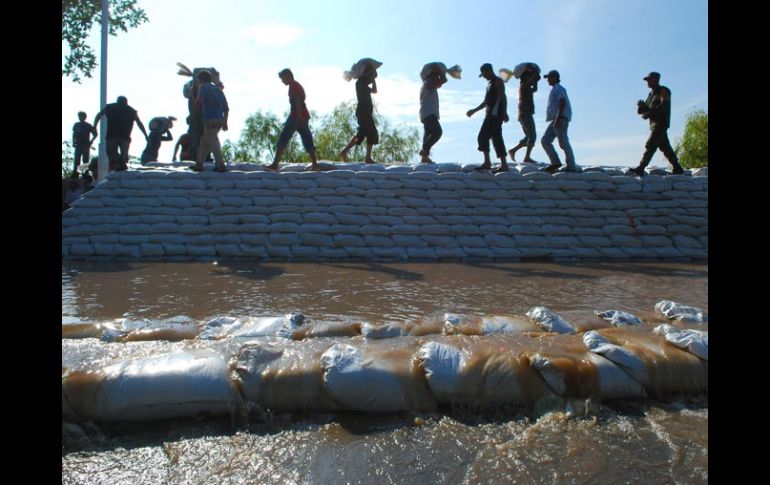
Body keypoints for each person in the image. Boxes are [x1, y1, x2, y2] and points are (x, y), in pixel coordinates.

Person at [628, 71, 685, 176]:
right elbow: (642, 111)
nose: (647, 82)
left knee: (650, 144)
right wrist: (641, 106)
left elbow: (664, 106)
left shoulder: (663, 91)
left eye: (649, 80)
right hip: (654, 124)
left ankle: (641, 167)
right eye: (647, 80)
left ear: (656, 80)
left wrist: (649, 113)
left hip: (661, 123)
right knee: (665, 147)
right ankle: (677, 168)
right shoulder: (650, 94)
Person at [264, 69, 319, 171]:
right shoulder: (296, 85)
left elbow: (297, 99)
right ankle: (315, 164)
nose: (282, 81)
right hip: (304, 117)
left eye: (282, 78)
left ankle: (275, 164)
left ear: (288, 76)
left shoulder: (293, 86)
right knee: (307, 140)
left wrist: (297, 115)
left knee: (283, 139)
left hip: (297, 117)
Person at [466, 63, 510, 173]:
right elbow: (486, 102)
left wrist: (504, 112)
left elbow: (502, 97)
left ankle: (487, 162)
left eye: (484, 74)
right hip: (490, 114)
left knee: (483, 137)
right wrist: (474, 111)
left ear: (488, 71)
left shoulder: (497, 81)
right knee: (496, 139)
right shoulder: (489, 84)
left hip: (495, 115)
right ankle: (504, 165)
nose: (484, 76)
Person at [93, 96, 148, 172]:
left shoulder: (111, 107)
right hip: (123, 136)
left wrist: (94, 126)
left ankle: (118, 164)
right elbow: (139, 123)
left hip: (113, 135)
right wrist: (145, 135)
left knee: (113, 154)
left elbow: (98, 115)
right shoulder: (130, 110)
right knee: (121, 156)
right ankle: (120, 165)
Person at [189, 70, 229, 172]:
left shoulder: (203, 87)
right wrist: (225, 122)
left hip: (209, 119)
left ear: (200, 80)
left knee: (214, 142)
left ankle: (221, 165)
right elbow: (226, 108)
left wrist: (192, 95)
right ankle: (199, 165)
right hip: (219, 120)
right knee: (204, 144)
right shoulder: (218, 89)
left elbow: (199, 102)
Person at [339, 65, 379, 164]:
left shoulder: (363, 84)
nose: (371, 78)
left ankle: (344, 152)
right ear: (366, 74)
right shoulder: (360, 83)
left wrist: (373, 80)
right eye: (370, 76)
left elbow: (374, 91)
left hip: (365, 112)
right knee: (372, 132)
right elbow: (371, 88)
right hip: (363, 112)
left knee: (361, 134)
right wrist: (370, 77)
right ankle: (368, 157)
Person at [540, 70, 577, 173]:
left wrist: (558, 118)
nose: (548, 80)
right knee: (545, 140)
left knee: (563, 142)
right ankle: (555, 162)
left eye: (549, 78)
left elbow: (562, 102)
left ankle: (571, 166)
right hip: (557, 119)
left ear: (555, 78)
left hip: (560, 118)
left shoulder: (558, 89)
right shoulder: (555, 89)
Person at [507, 67, 541, 164]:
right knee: (532, 136)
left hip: (525, 114)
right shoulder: (524, 85)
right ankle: (527, 157)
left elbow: (535, 88)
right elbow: (535, 78)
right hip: (525, 114)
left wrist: (536, 80)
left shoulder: (526, 86)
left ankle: (513, 150)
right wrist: (534, 72)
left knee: (528, 137)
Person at [419, 71, 447, 164]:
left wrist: (440, 72)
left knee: (428, 134)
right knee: (437, 132)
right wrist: (441, 71)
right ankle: (424, 150)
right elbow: (443, 80)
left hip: (426, 113)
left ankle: (424, 157)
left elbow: (443, 81)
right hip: (429, 113)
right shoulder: (429, 83)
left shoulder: (427, 84)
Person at [71, 111, 97, 177]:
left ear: (85, 117)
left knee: (85, 160)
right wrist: (73, 142)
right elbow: (74, 134)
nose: (80, 117)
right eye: (79, 116)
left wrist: (91, 141)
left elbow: (95, 134)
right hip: (78, 144)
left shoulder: (88, 125)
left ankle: (85, 173)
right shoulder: (76, 124)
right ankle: (75, 173)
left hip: (85, 144)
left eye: (81, 116)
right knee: (77, 159)